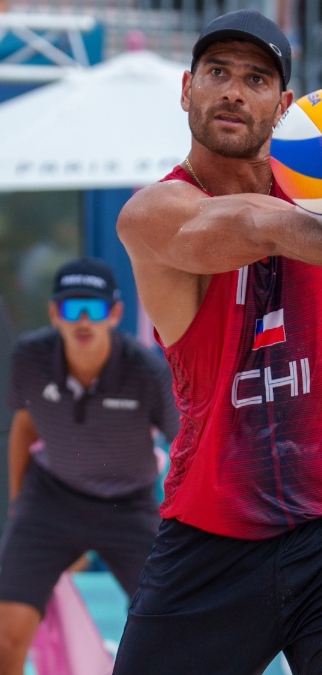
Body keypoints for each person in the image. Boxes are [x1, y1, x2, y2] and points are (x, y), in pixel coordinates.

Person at [111, 9, 322, 674]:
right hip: (213, 537)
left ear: (285, 105)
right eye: (217, 72)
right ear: (187, 89)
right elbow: (256, 224)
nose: (234, 91)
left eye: (256, 79)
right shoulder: (154, 212)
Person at [0, 258, 179, 674]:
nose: (83, 321)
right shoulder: (30, 357)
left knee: (171, 630)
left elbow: (186, 444)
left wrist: (182, 521)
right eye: (71, 307)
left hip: (129, 506)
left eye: (94, 309)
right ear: (53, 313)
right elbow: (25, 426)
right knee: (6, 636)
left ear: (114, 314)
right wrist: (19, 508)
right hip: (50, 498)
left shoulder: (147, 371)